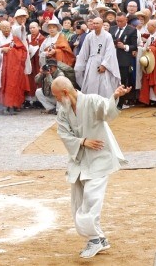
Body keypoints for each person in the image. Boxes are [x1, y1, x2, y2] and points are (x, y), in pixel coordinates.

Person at [52, 76, 130, 259]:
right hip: (79, 159)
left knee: (91, 198)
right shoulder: (63, 111)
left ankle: (94, 239)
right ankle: (100, 238)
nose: (55, 99)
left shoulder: (92, 101)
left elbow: (107, 111)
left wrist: (116, 97)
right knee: (78, 201)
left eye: (55, 95)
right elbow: (63, 133)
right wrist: (82, 141)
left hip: (99, 158)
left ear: (64, 92)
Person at [75, 17, 121, 98]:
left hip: (103, 62)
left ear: (102, 24)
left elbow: (110, 52)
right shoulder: (89, 36)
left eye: (97, 23)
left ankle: (104, 105)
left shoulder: (107, 36)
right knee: (91, 83)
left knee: (104, 85)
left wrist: (104, 65)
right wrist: (80, 64)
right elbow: (84, 51)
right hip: (92, 62)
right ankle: (91, 104)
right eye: (94, 23)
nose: (95, 25)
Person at [0, 21, 29, 114]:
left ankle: (13, 105)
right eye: (3, 28)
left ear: (11, 28)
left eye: (8, 28)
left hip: (14, 67)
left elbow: (23, 51)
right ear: (0, 28)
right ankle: (3, 105)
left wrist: (12, 52)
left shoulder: (15, 39)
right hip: (1, 66)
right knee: (2, 85)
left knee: (14, 85)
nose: (6, 30)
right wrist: (2, 49)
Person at [109, 13, 138, 108]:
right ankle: (111, 100)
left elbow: (134, 46)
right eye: (117, 21)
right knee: (111, 80)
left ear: (126, 20)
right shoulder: (112, 29)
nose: (119, 23)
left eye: (121, 21)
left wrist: (124, 46)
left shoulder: (132, 30)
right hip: (112, 58)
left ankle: (120, 103)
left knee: (122, 81)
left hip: (124, 59)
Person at [28, 22, 45, 105]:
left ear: (38, 27)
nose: (32, 29)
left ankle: (39, 101)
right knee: (30, 80)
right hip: (30, 62)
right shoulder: (28, 38)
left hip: (38, 62)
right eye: (30, 28)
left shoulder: (42, 38)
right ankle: (30, 99)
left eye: (34, 27)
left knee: (39, 79)